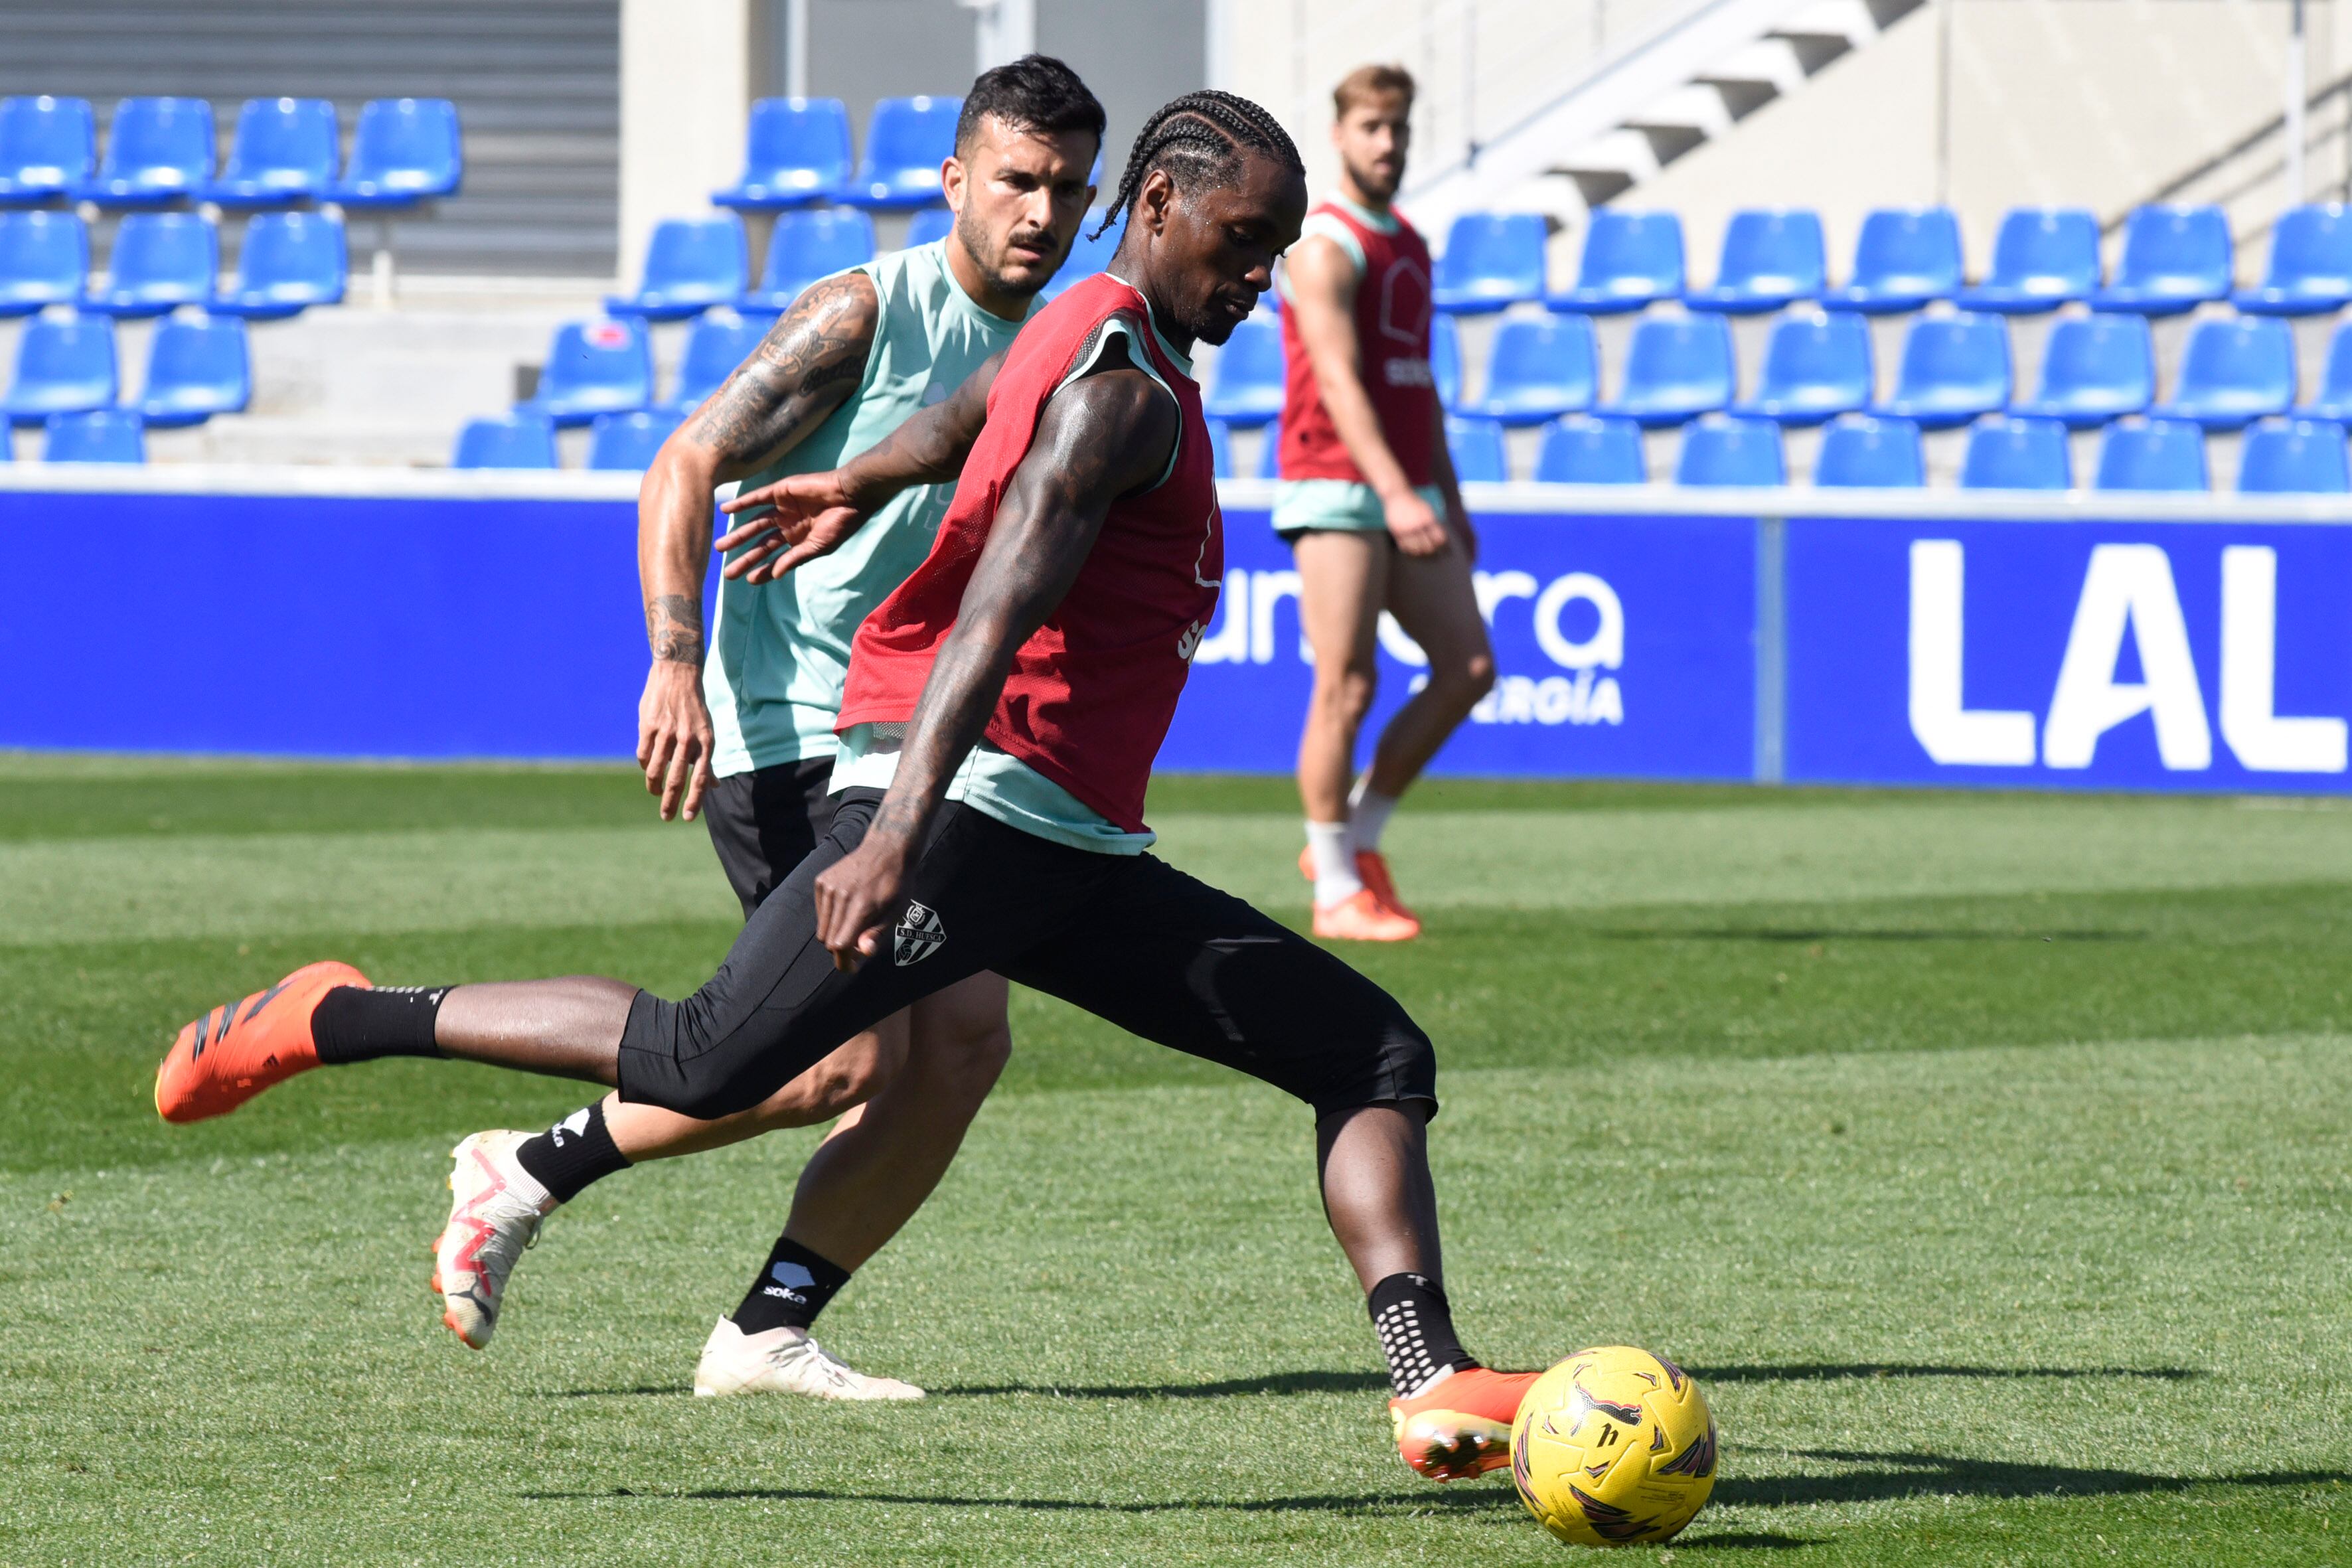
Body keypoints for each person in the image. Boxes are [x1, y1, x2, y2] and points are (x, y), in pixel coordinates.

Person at [153, 88, 1536, 1484]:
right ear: (1161, 205)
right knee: (712, 1057)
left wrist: (857, 479)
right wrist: (892, 837)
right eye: (1243, 240)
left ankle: (1431, 1382)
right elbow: (995, 604)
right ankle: (332, 1014)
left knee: (1367, 1051)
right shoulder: (1119, 391)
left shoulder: (1086, 332)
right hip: (972, 817)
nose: (1259, 273)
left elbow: (971, 412)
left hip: (1068, 850)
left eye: (1280, 248)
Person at [287, 57, 1106, 1405]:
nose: (1042, 209)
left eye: (1068, 187)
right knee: (836, 1052)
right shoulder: (863, 312)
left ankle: (762, 1322)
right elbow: (684, 460)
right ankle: (493, 1133)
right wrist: (672, 658)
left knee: (957, 1044)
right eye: (1018, 179)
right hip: (790, 728)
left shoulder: (1065, 334)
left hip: (904, 738)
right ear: (955, 179)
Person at [1273, 64, 1494, 942]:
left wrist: (1449, 495)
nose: (1388, 143)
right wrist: (1399, 492)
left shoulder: (1408, 239)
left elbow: (1418, 384)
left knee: (1470, 667)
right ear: (1340, 134)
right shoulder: (1324, 244)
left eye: (1399, 128)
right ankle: (1332, 886)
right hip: (1336, 481)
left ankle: (1356, 842)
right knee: (1348, 683)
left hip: (1408, 486)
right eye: (1372, 127)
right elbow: (1338, 379)